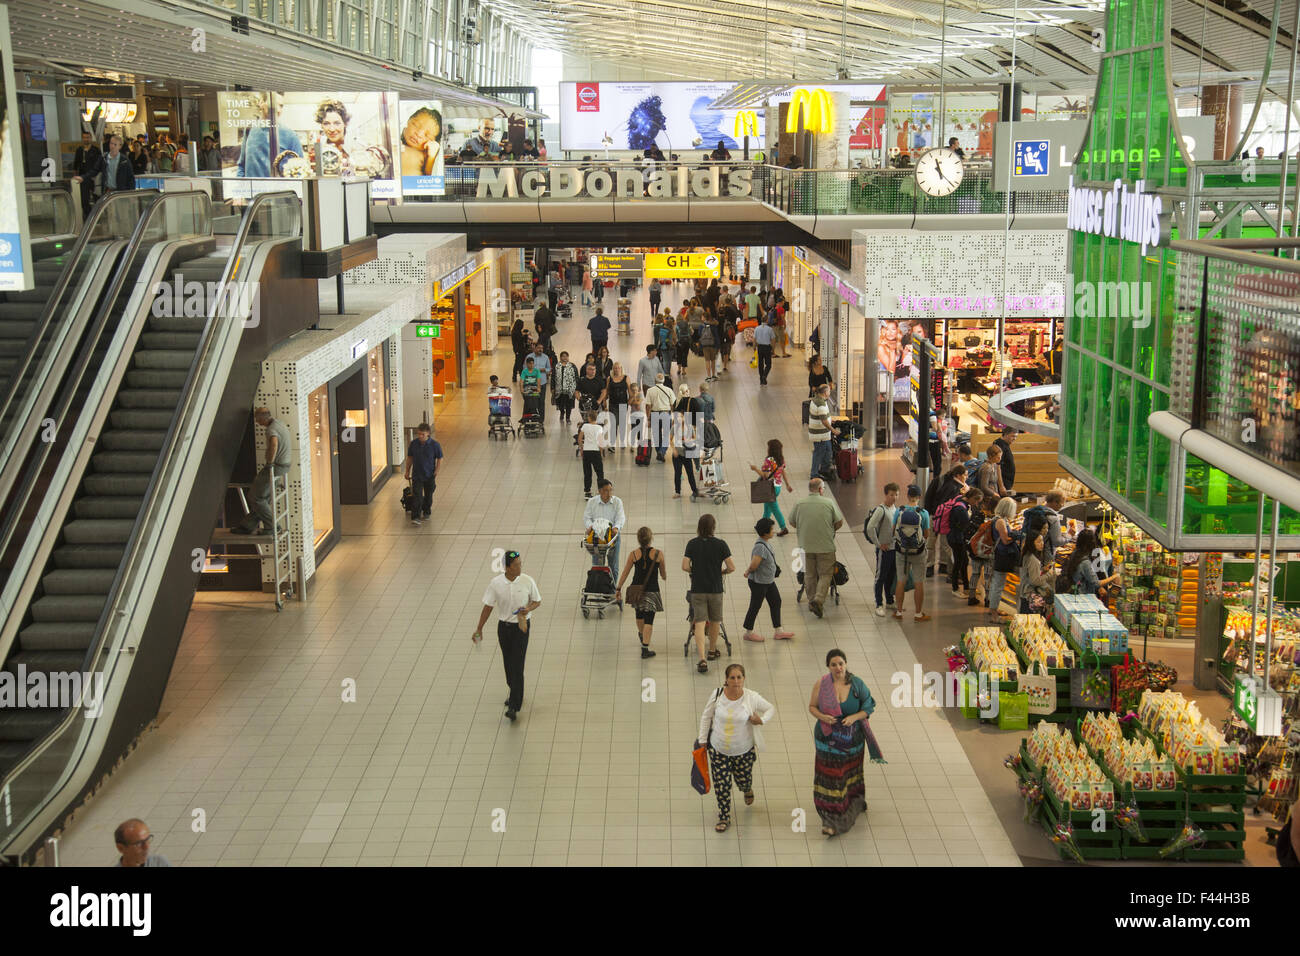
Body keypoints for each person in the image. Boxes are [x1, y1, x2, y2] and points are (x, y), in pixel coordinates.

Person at [808, 648, 884, 837]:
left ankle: (854, 802)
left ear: (846, 664)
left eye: (840, 663)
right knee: (831, 776)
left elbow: (869, 706)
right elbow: (812, 707)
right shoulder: (822, 684)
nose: (838, 667)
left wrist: (854, 717)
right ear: (828, 667)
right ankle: (830, 817)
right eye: (833, 664)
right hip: (827, 739)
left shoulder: (857, 684)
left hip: (852, 740)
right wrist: (823, 717)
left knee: (848, 773)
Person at [698, 663, 775, 832]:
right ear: (726, 679)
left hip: (743, 751)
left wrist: (761, 720)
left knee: (743, 779)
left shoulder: (751, 697)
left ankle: (747, 789)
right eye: (732, 677)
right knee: (722, 785)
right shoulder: (717, 694)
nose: (736, 681)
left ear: (744, 678)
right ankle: (724, 816)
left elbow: (770, 708)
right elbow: (706, 716)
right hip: (719, 750)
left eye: (739, 677)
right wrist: (702, 739)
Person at [472, 550, 542, 722]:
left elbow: (537, 601)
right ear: (507, 567)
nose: (519, 567)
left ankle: (514, 706)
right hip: (503, 628)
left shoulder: (527, 580)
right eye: (516, 564)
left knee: (518, 665)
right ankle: (515, 690)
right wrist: (479, 628)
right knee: (508, 664)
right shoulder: (496, 583)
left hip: (521, 628)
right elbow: (488, 606)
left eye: (520, 563)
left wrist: (528, 609)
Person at [683, 513, 734, 673]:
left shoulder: (692, 543)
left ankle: (702, 658)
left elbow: (684, 566)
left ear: (699, 527)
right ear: (713, 527)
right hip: (715, 589)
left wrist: (696, 571)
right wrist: (721, 573)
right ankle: (712, 651)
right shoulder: (721, 544)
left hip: (697, 589)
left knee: (699, 622)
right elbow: (731, 567)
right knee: (715, 620)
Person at [789, 477, 844, 618]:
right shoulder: (828, 503)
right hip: (825, 546)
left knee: (809, 574)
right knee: (825, 574)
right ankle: (818, 600)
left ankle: (812, 600)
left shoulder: (799, 503)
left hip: (804, 546)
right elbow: (839, 522)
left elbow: (792, 521)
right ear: (820, 489)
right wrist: (830, 530)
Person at [233, 408, 292, 534]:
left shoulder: (271, 430)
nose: (257, 422)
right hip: (283, 466)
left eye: (257, 419)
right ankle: (247, 525)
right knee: (263, 498)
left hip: (275, 466)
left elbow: (274, 444)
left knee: (255, 497)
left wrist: (270, 463)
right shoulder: (279, 423)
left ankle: (272, 527)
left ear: (262, 418)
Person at [615, 526, 667, 658]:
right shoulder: (658, 554)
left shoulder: (633, 554)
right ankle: (645, 649)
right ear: (651, 538)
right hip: (652, 590)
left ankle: (641, 634)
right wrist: (663, 575)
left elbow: (625, 573)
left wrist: (618, 588)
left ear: (638, 539)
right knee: (649, 620)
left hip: (636, 590)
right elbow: (663, 573)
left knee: (639, 615)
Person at [741, 518, 793, 642]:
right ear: (765, 532)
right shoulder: (760, 547)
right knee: (755, 606)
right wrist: (748, 571)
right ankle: (748, 632)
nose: (773, 531)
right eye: (771, 529)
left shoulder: (766, 542)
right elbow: (754, 564)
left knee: (776, 601)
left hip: (768, 581)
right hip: (759, 582)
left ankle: (778, 631)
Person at [889, 484, 931, 622]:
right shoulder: (923, 512)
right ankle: (918, 614)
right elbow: (926, 534)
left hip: (902, 552)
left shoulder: (899, 511)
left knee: (901, 580)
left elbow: (893, 530)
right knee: (919, 582)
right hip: (918, 553)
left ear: (907, 496)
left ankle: (899, 612)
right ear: (919, 497)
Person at [864, 482, 899, 616]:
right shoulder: (881, 510)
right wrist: (878, 544)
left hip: (894, 549)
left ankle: (889, 601)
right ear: (886, 495)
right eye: (891, 495)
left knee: (891, 576)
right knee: (881, 577)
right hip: (884, 550)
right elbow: (870, 527)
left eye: (896, 494)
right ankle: (879, 603)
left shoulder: (895, 509)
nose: (894, 497)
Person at [943, 488, 984, 598]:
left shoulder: (961, 502)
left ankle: (966, 587)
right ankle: (955, 588)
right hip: (956, 538)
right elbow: (966, 524)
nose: (976, 504)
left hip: (956, 537)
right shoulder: (961, 508)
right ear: (971, 498)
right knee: (959, 562)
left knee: (964, 561)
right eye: (976, 501)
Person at [985, 496, 1020, 618]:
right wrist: (1016, 536)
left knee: (997, 583)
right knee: (998, 584)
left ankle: (993, 608)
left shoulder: (999, 519)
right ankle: (993, 610)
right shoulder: (1000, 521)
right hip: (1002, 555)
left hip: (1001, 555)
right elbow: (1005, 540)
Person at [1062, 528, 1121, 599]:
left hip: (1074, 593)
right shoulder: (1085, 562)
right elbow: (1096, 583)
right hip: (1082, 596)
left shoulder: (1075, 554)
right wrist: (1114, 577)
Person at [403, 423, 443, 525]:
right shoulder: (414, 444)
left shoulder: (435, 445)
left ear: (428, 434)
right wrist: (407, 471)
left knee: (429, 495)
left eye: (422, 434)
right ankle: (415, 516)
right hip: (417, 475)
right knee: (417, 496)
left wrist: (436, 471)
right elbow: (410, 458)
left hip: (430, 475)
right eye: (419, 434)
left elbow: (439, 458)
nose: (420, 436)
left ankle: (426, 511)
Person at [584, 479, 626, 575]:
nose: (609, 493)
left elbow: (621, 517)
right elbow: (587, 517)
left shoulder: (617, 501)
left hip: (613, 537)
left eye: (611, 490)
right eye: (606, 490)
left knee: (613, 566)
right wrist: (590, 526)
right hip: (597, 538)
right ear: (600, 491)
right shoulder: (592, 502)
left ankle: (613, 589)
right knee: (597, 566)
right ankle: (598, 588)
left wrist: (616, 527)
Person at [749, 439, 790, 536]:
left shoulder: (769, 460)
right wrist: (787, 484)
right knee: (767, 507)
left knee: (774, 508)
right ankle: (761, 525)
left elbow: (765, 476)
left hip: (770, 487)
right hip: (777, 486)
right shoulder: (781, 459)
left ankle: (783, 527)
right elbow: (783, 472)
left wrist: (755, 469)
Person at [670, 385, 703, 499]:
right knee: (677, 473)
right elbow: (670, 439)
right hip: (678, 452)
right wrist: (673, 449)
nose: (679, 419)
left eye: (681, 417)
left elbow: (694, 437)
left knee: (690, 472)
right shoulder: (675, 427)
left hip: (687, 450)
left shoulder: (689, 427)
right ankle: (677, 491)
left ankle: (695, 490)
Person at [1017, 525, 1057, 614]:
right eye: (1038, 541)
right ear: (1032, 543)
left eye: (1042, 541)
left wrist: (1043, 570)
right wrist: (1049, 573)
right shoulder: (1033, 559)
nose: (1042, 543)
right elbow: (1035, 581)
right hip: (1031, 597)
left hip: (1025, 595)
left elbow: (1031, 574)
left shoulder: (1027, 554)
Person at [645, 373, 675, 461]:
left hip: (654, 414)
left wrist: (648, 418)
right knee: (666, 435)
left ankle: (660, 452)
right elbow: (673, 405)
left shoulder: (650, 391)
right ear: (663, 381)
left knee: (656, 435)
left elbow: (648, 406)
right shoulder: (669, 390)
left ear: (655, 381)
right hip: (666, 414)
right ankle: (661, 452)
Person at [578, 409, 607, 498]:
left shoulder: (585, 426)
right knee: (599, 473)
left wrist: (581, 449)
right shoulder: (599, 428)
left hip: (587, 452)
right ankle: (601, 491)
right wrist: (601, 453)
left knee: (587, 472)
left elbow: (579, 439)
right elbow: (601, 442)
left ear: (589, 418)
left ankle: (587, 492)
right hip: (596, 452)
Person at [72, 130, 103, 214]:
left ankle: (97, 215)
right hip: (82, 178)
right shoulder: (79, 150)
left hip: (94, 178)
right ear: (82, 139)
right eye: (84, 138)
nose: (86, 139)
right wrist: (75, 176)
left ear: (91, 138)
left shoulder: (96, 150)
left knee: (97, 198)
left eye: (88, 137)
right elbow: (76, 164)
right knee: (84, 200)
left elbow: (100, 164)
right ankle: (87, 216)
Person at [807, 383, 833, 479]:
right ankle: (814, 474)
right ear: (825, 392)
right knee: (819, 453)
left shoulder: (817, 399)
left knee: (827, 451)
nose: (830, 392)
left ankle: (824, 470)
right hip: (820, 434)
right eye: (829, 391)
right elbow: (824, 421)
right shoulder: (820, 403)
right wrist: (833, 430)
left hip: (822, 434)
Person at [604, 362, 630, 450]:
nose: (616, 369)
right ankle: (612, 444)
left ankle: (622, 441)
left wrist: (630, 401)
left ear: (621, 369)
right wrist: (604, 401)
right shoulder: (609, 378)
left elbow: (629, 391)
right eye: (615, 368)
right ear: (613, 369)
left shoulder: (626, 378)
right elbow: (606, 391)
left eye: (618, 368)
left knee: (622, 423)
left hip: (623, 403)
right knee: (613, 423)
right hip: (613, 404)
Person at [552, 350, 578, 425]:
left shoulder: (572, 366)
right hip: (559, 389)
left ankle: (568, 418)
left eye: (566, 356)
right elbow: (553, 377)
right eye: (563, 356)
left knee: (569, 404)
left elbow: (576, 377)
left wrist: (576, 388)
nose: (564, 358)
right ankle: (562, 412)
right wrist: (552, 388)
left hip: (569, 389)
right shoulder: (556, 366)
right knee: (560, 404)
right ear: (560, 357)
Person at [993, 427, 1018, 495]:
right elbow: (997, 466)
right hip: (1002, 483)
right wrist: (1001, 486)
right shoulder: (1000, 445)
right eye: (1012, 436)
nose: (1014, 439)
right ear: (1006, 434)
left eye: (1016, 436)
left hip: (1007, 482)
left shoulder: (1005, 444)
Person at [699, 314, 721, 382]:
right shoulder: (713, 326)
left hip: (705, 345)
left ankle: (708, 376)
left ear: (705, 318)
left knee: (707, 361)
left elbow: (699, 335)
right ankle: (713, 375)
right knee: (713, 360)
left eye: (702, 316)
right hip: (713, 345)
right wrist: (718, 346)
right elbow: (716, 336)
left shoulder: (701, 326)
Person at [753, 317, 775, 385]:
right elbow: (773, 340)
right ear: (767, 320)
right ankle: (764, 376)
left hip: (760, 347)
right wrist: (773, 349)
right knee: (768, 364)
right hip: (767, 347)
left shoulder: (757, 328)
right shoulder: (770, 329)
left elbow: (754, 339)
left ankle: (761, 379)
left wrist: (754, 347)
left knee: (761, 364)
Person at [673, 310, 692, 376]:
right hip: (686, 342)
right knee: (685, 356)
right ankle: (684, 370)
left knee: (679, 355)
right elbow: (691, 332)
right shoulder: (687, 323)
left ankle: (679, 369)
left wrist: (675, 342)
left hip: (679, 342)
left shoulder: (676, 325)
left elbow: (674, 334)